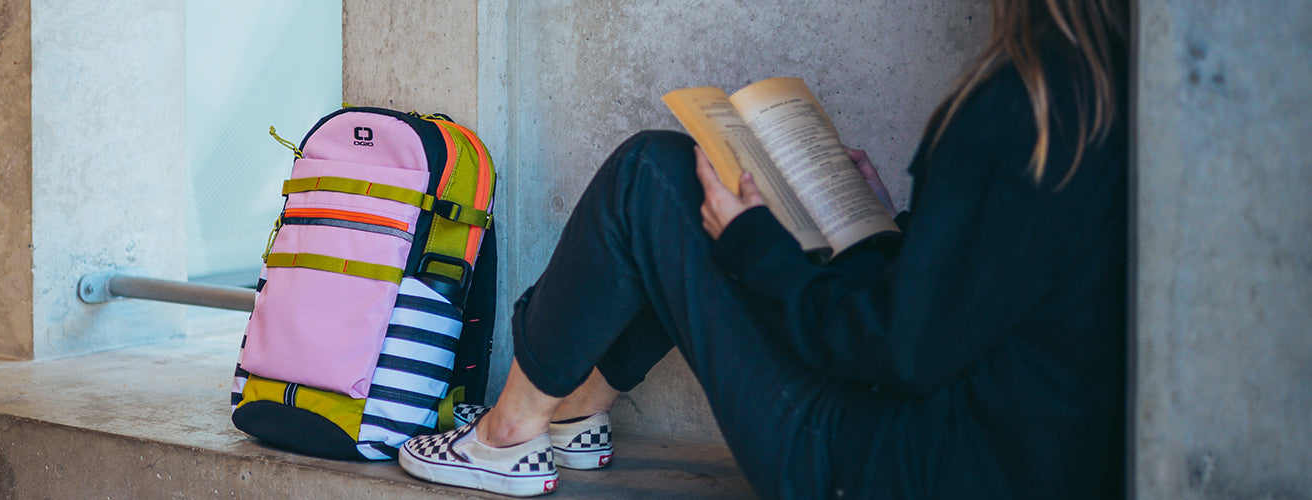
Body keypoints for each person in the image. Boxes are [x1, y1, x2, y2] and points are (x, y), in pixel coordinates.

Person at [398, 0, 1129, 497]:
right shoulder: (1109, 94)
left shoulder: (1024, 104)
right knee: (703, 185)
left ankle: (506, 433)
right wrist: (884, 228)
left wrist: (757, 246)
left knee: (652, 175)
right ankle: (576, 412)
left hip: (879, 466)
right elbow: (965, 311)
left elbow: (896, 349)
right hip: (990, 457)